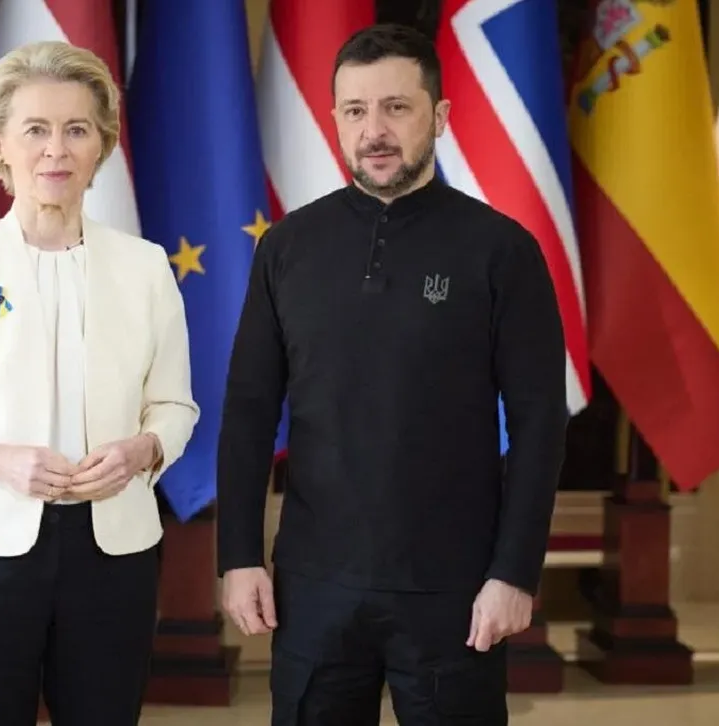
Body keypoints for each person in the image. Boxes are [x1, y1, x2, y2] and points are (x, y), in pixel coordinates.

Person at [216, 23, 567, 726]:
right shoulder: (286, 248)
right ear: (335, 119)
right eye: (355, 110)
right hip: (314, 585)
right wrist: (239, 556)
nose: (373, 130)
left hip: (455, 590)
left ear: (439, 116)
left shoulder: (502, 250)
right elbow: (250, 410)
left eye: (396, 107)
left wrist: (514, 572)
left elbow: (539, 423)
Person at [0, 40, 198, 726]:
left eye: (77, 129)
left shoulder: (145, 267)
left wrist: (142, 450)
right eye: (36, 130)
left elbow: (174, 405)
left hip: (113, 548)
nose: (56, 149)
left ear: (101, 145)